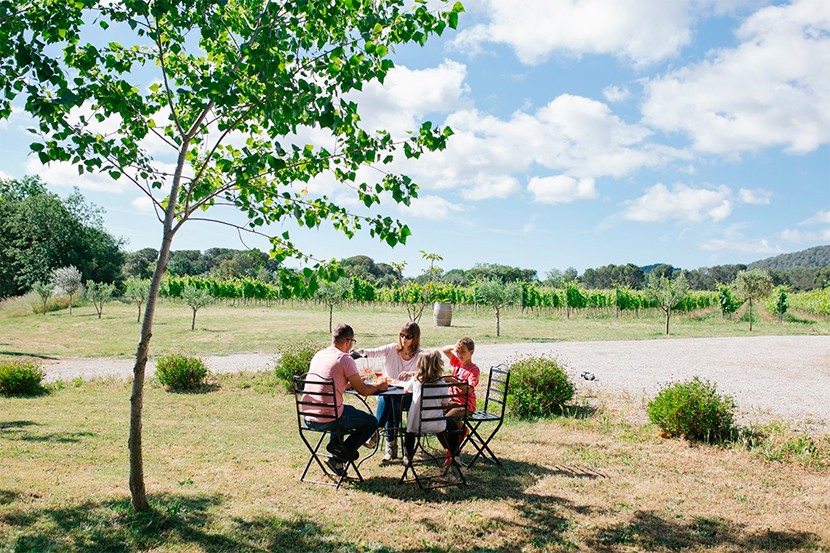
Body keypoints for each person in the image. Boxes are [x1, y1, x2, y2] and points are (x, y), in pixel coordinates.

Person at [302, 323, 388, 476]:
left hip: (308, 417)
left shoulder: (319, 354)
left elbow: (327, 381)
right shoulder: (345, 359)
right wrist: (378, 387)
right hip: (329, 418)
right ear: (349, 341)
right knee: (371, 422)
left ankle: (337, 449)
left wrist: (347, 383)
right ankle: (341, 455)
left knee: (343, 410)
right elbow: (363, 390)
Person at [355, 321, 421, 462]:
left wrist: (412, 373)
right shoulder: (392, 349)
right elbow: (373, 352)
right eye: (402, 335)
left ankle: (378, 435)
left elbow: (431, 371)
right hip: (391, 394)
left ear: (415, 338)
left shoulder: (420, 355)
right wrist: (360, 352)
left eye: (408, 336)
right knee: (389, 400)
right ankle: (390, 446)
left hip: (409, 397)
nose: (404, 339)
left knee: (390, 401)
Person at [402, 350, 460, 467]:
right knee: (452, 424)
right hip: (436, 425)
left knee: (409, 429)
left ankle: (408, 455)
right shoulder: (442, 385)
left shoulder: (416, 382)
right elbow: (445, 403)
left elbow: (406, 389)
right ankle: (455, 454)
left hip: (416, 426)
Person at [441, 336, 480, 427]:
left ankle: (460, 433)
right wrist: (454, 346)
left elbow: (469, 389)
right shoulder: (458, 363)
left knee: (444, 421)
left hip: (465, 405)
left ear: (471, 352)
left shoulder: (474, 370)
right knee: (435, 417)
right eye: (457, 352)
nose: (459, 355)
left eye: (463, 352)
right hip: (453, 401)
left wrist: (452, 380)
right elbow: (444, 350)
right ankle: (458, 431)